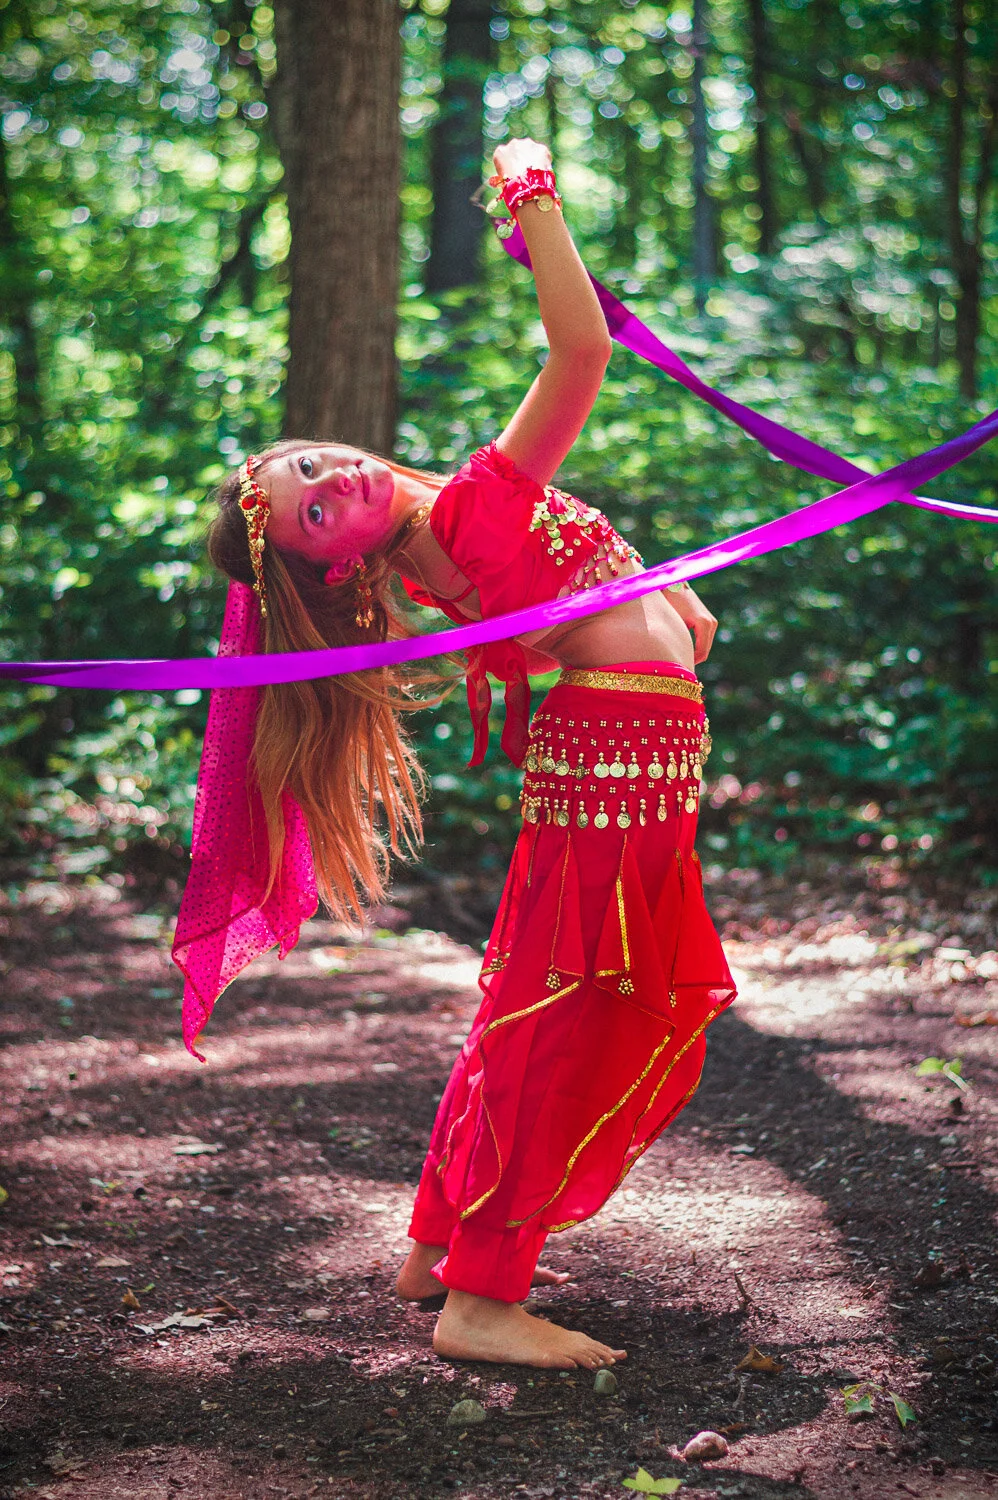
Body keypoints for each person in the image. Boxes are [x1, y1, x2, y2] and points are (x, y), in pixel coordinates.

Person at [181, 137, 735, 1371]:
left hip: (617, 744)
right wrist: (531, 194)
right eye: (313, 506)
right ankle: (481, 1298)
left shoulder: (438, 529)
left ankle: (441, 1245)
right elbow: (581, 353)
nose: (335, 480)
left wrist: (654, 590)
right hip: (617, 750)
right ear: (332, 563)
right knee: (574, 1011)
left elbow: (552, 601)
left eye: (315, 463)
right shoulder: (473, 508)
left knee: (540, 998)